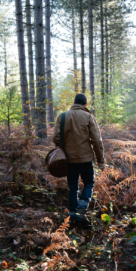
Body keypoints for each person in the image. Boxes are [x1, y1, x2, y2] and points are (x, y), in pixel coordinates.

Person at [53, 94, 105, 228]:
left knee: (73, 187)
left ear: (74, 102)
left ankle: (72, 214)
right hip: (86, 159)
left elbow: (55, 138)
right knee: (88, 183)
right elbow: (97, 141)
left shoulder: (62, 116)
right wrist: (100, 159)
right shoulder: (89, 117)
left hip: (68, 159)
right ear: (85, 105)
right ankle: (82, 208)